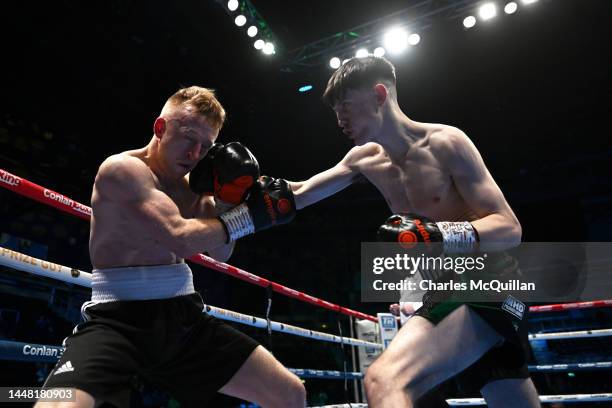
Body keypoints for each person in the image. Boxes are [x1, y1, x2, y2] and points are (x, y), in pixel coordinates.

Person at [285, 57, 540, 407]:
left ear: (378, 94)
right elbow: (295, 195)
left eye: (345, 104)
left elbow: (509, 228)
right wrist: (237, 191)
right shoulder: (363, 159)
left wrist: (436, 234)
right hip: (445, 291)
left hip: (487, 282)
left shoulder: (446, 143)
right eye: (334, 109)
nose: (339, 118)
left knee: (385, 379)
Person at [37, 86, 303, 408]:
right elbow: (180, 237)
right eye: (189, 138)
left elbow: (221, 253)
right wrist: (248, 218)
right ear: (160, 128)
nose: (195, 154)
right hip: (119, 318)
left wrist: (225, 201)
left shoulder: (196, 186)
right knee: (58, 404)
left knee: (290, 393)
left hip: (183, 317)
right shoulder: (123, 169)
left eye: (206, 146)